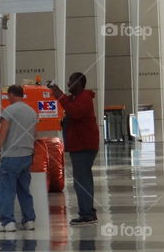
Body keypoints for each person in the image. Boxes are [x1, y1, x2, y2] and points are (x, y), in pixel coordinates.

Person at [50, 73, 99, 226]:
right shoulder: (76, 98)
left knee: (82, 181)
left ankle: (87, 215)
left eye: (71, 81)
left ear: (78, 83)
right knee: (83, 180)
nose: (68, 83)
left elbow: (75, 113)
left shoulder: (84, 98)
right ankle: (88, 212)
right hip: (79, 145)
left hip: (83, 146)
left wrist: (59, 95)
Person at [0, 85, 38, 232]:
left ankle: (8, 222)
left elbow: (2, 134)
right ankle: (29, 221)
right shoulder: (32, 112)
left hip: (11, 156)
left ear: (11, 95)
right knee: (24, 190)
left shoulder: (9, 111)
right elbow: (35, 134)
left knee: (6, 190)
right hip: (27, 155)